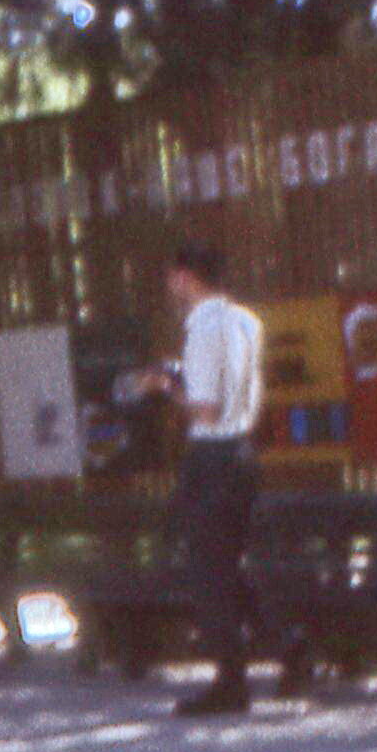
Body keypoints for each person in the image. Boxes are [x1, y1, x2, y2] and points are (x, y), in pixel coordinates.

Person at [141, 241, 266, 717]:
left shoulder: (202, 329)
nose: (169, 285)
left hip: (211, 456)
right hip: (242, 452)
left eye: (172, 276)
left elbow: (205, 409)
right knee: (229, 566)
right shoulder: (246, 321)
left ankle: (231, 682)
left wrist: (166, 386)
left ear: (186, 277)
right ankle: (289, 646)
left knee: (208, 572)